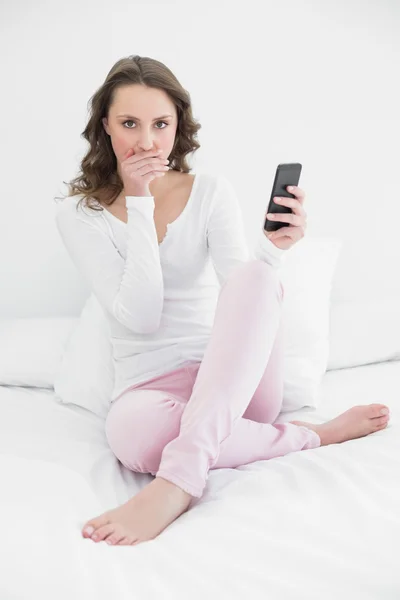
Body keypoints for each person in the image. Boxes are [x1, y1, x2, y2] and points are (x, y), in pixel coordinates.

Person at [55, 55, 390, 548]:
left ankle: (176, 482)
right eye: (129, 124)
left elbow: (245, 296)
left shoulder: (209, 192)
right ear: (105, 126)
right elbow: (142, 317)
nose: (146, 141)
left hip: (234, 381)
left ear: (178, 126)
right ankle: (311, 436)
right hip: (149, 390)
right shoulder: (79, 214)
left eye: (160, 124)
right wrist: (140, 198)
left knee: (257, 275)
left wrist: (273, 254)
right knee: (133, 437)